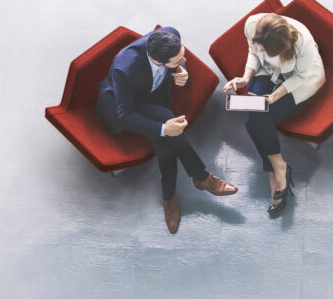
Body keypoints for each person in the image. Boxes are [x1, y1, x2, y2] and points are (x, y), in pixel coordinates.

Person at [97, 26, 238, 233]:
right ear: (158, 61)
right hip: (127, 106)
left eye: (182, 55)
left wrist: (181, 72)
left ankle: (173, 195)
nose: (184, 61)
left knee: (166, 142)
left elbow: (179, 64)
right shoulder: (124, 70)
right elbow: (125, 115)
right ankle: (195, 181)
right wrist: (163, 129)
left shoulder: (170, 35)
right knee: (166, 134)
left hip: (152, 96)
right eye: (178, 61)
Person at [222, 13, 325, 217]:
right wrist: (245, 78)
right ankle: (279, 167)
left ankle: (274, 169)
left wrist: (275, 96)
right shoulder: (253, 25)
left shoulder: (303, 45)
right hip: (267, 71)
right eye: (259, 44)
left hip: (298, 81)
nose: (260, 48)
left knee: (254, 121)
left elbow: (301, 76)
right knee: (256, 116)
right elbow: (253, 53)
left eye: (264, 47)